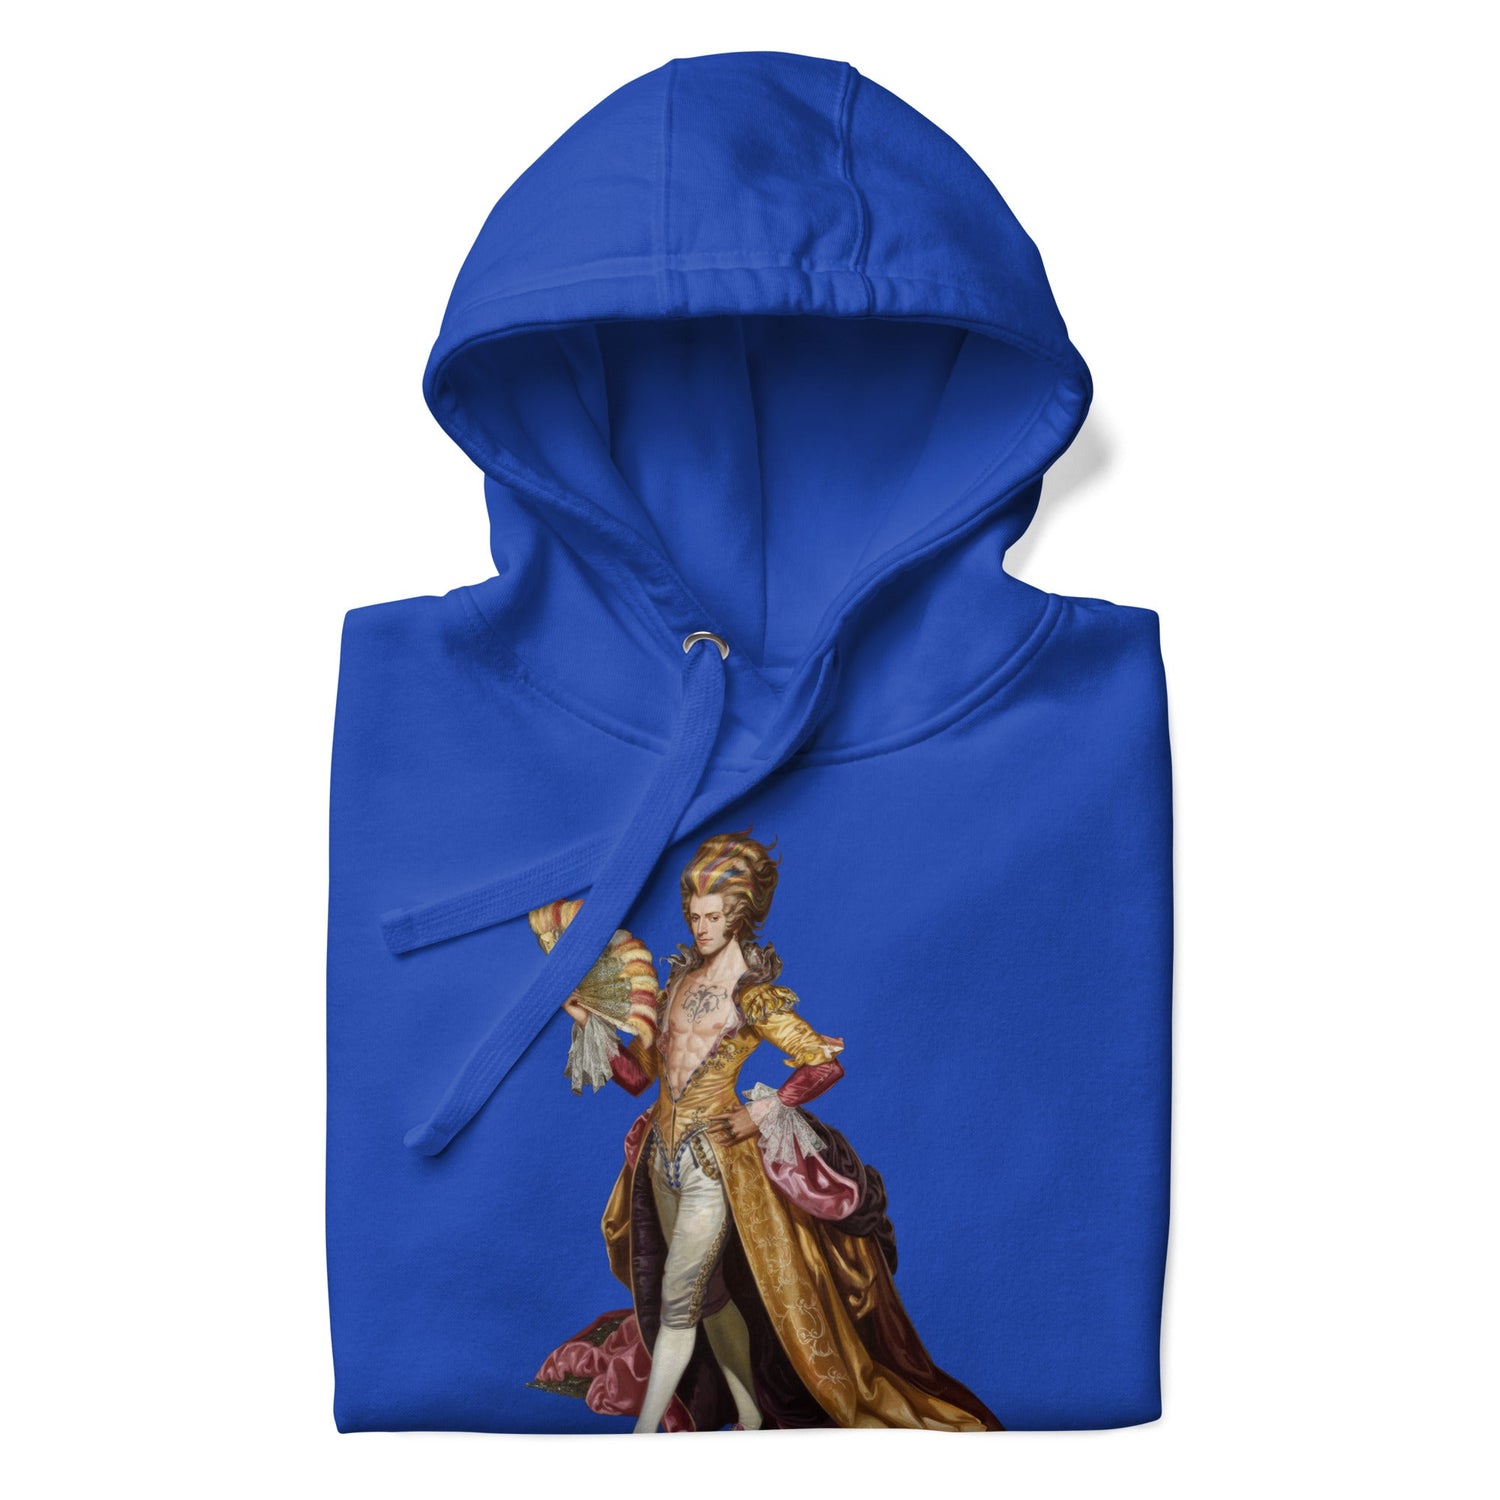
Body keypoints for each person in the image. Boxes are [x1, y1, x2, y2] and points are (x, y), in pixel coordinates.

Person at [541, 828, 1003, 1432]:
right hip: (660, 1160)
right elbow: (638, 1078)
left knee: (678, 1300)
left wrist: (763, 1110)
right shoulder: (677, 985)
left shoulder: (754, 997)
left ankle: (643, 1440)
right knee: (709, 1300)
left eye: (711, 916)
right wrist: (588, 1022)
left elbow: (822, 1063)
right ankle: (752, 1415)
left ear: (736, 916)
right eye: (694, 915)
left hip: (713, 1162)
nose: (700, 927)